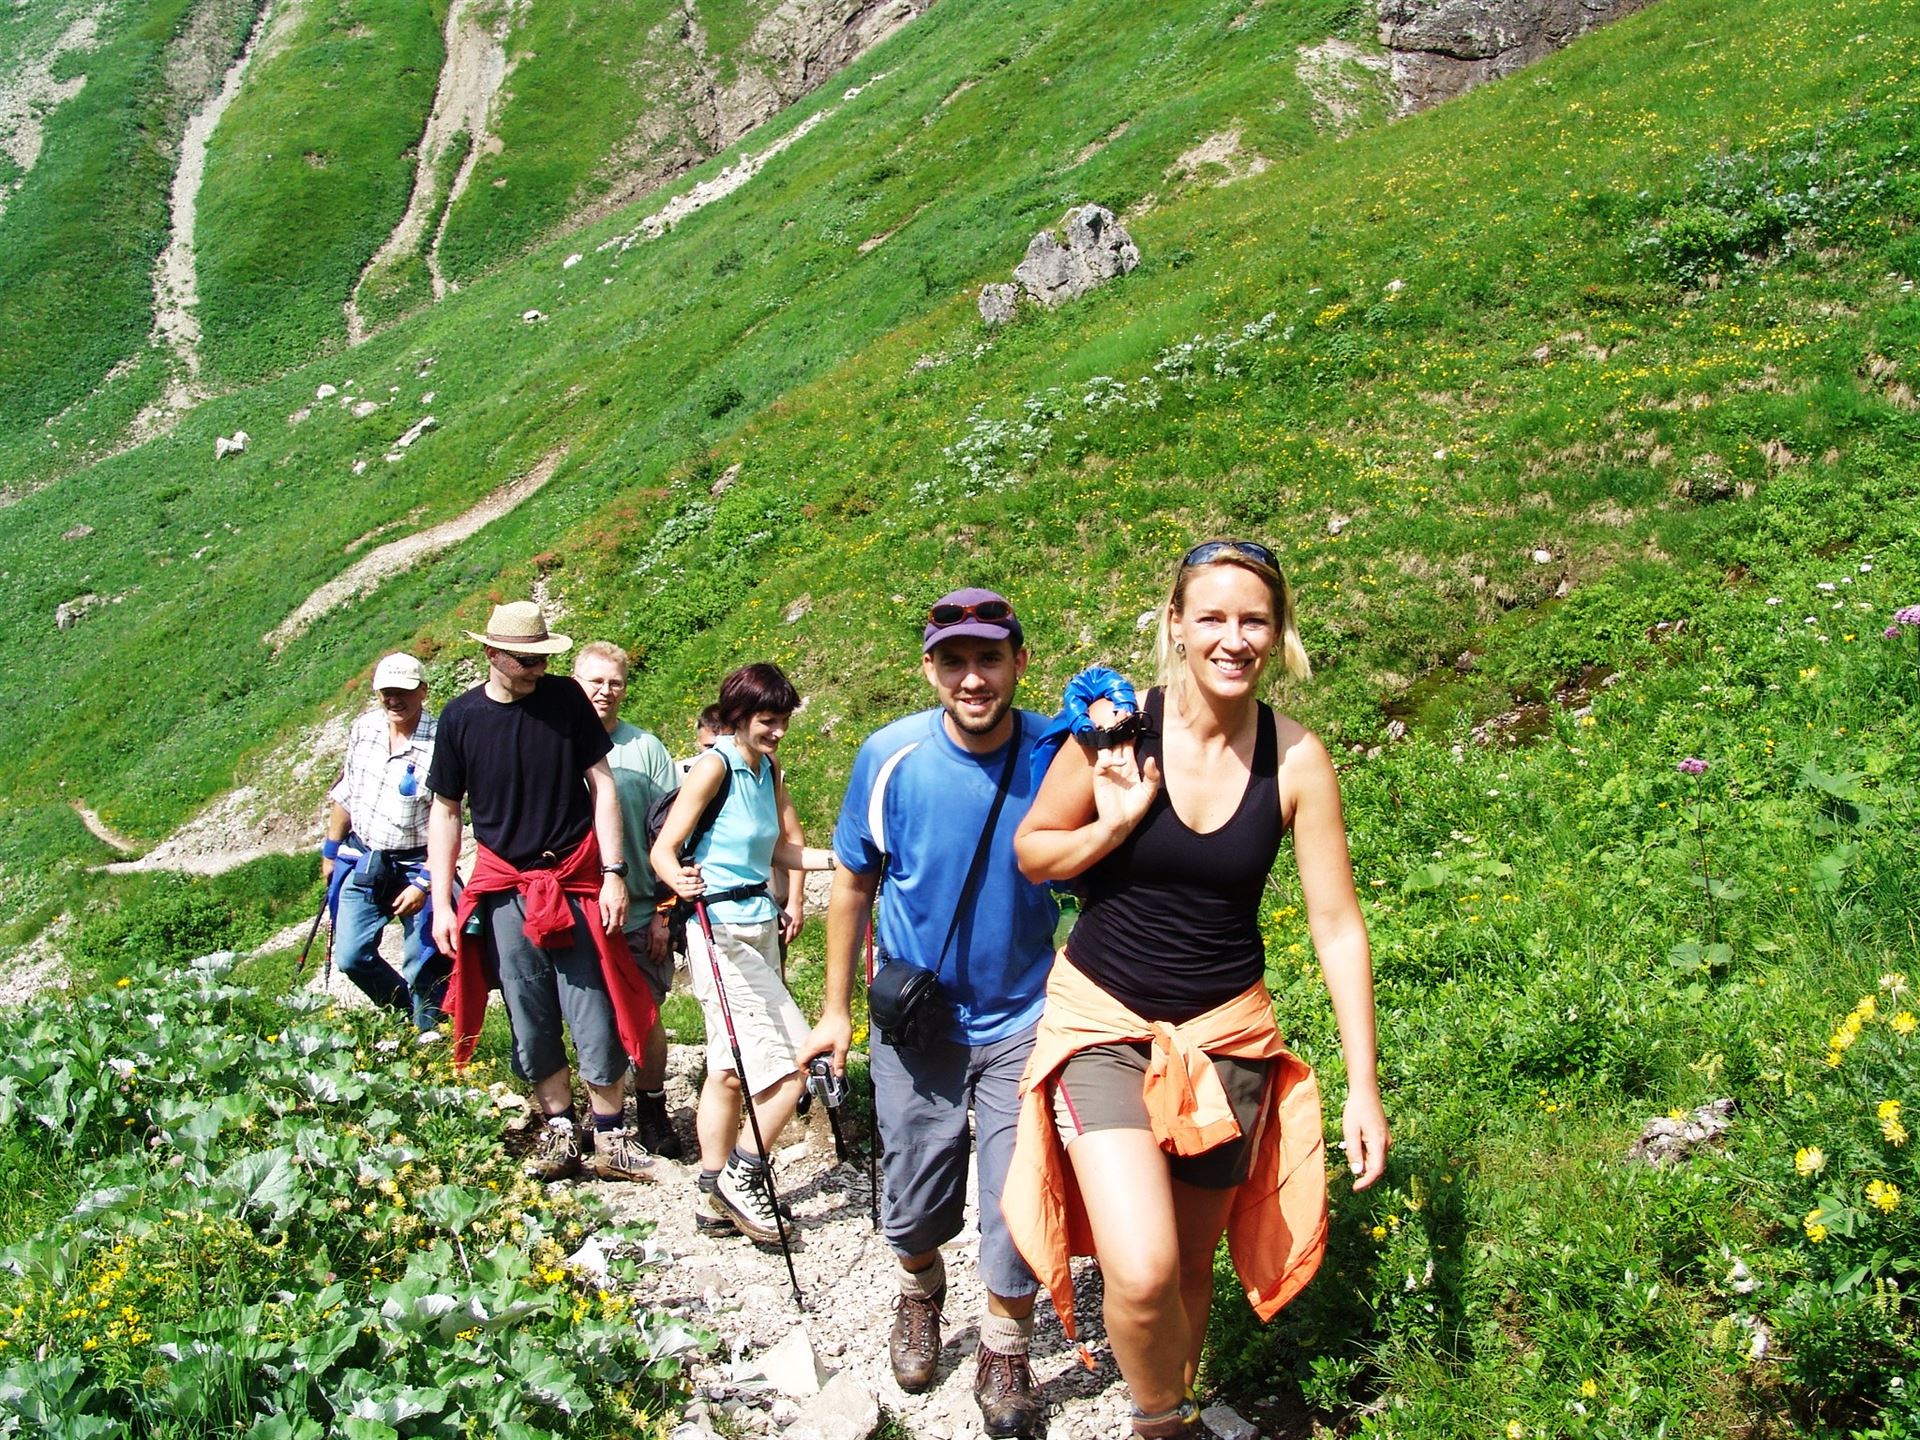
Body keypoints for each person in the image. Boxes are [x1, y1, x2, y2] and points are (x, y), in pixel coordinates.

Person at [1006, 540, 1390, 1438]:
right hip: (1102, 1019)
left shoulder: (1296, 760)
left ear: (1278, 632)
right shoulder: (1115, 730)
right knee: (1139, 1271)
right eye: (1211, 617)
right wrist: (1121, 820)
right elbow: (1034, 853)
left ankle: (1167, 1407)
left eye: (1254, 620)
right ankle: (1161, 1422)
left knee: (1186, 1271)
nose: (1233, 638)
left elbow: (1337, 926)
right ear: (1174, 625)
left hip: (1227, 1040)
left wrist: (1362, 1086)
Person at [803, 589, 1061, 1436]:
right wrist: (835, 1010)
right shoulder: (890, 757)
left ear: (1021, 662)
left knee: (1015, 1197)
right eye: (954, 661)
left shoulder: (1058, 753)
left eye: (990, 658)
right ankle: (919, 1291)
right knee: (910, 1199)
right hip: (917, 1027)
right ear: (930, 669)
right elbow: (852, 881)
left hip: (1023, 1014)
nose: (973, 678)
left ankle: (1004, 1347)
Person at [427, 601, 657, 1184]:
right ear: (491, 654)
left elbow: (601, 786)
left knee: (592, 1003)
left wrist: (613, 872)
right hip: (506, 883)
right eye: (524, 659)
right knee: (528, 1008)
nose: (535, 667)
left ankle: (611, 1135)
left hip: (577, 876)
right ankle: (559, 1130)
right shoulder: (460, 720)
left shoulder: (565, 700)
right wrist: (441, 902)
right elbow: (447, 812)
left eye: (540, 657)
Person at [650, 663, 837, 1242]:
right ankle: (745, 1175)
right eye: (767, 720)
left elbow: (779, 849)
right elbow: (664, 848)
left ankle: (712, 1193)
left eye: (782, 720)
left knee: (728, 1071)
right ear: (737, 717)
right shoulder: (714, 766)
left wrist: (842, 861)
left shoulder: (766, 769)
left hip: (756, 924)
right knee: (793, 1066)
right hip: (718, 932)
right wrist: (677, 881)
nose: (778, 730)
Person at [574, 639, 685, 1160]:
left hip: (642, 906)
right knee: (586, 1016)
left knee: (645, 1017)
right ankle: (597, 1119)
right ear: (575, 682)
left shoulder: (647, 748)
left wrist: (666, 911)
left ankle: (654, 1110)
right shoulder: (556, 744)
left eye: (615, 682)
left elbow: (674, 834)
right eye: (595, 680)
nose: (605, 690)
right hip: (576, 908)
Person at [322, 652, 447, 1031]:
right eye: (386, 692)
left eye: (404, 691)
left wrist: (426, 883)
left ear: (423, 691)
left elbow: (448, 818)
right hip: (364, 856)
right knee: (351, 956)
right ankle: (405, 1017)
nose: (394, 700)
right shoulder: (364, 729)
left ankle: (431, 1034)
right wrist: (331, 851)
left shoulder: (442, 742)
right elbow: (347, 792)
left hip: (418, 862)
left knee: (424, 959)